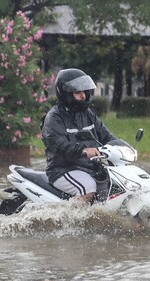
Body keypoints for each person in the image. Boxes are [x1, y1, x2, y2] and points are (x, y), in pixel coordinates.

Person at [41, 68, 117, 203]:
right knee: (88, 188)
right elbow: (60, 146)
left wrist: (121, 146)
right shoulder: (54, 117)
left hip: (90, 168)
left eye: (84, 92)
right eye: (78, 92)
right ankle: (72, 220)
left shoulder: (87, 113)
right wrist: (83, 150)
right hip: (63, 170)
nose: (83, 96)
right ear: (66, 94)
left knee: (116, 186)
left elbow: (105, 135)